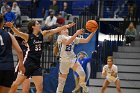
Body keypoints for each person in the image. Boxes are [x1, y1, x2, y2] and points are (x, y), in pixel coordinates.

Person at [6, 21, 75, 93]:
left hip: (37, 65)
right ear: (33, 27)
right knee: (16, 84)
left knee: (39, 88)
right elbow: (18, 33)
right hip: (28, 64)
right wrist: (12, 27)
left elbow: (55, 30)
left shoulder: (42, 34)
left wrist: (66, 26)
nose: (40, 25)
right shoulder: (28, 36)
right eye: (38, 24)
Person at [55, 28, 96, 93]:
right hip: (64, 61)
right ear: (60, 32)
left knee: (82, 74)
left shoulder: (72, 37)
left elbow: (86, 40)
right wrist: (76, 34)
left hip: (72, 59)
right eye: (63, 29)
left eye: (66, 29)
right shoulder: (60, 37)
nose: (65, 30)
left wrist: (93, 32)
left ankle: (83, 84)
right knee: (61, 83)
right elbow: (67, 42)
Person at [0, 14, 25, 93]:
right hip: (8, 68)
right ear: (2, 23)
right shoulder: (9, 35)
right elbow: (20, 51)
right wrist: (21, 64)